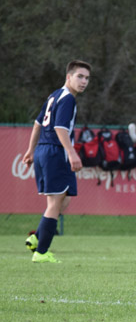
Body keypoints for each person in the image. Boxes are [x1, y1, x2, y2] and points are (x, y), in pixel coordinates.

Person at [22, 60, 92, 263]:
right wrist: (71, 153)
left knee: (63, 200)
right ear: (68, 77)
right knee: (55, 203)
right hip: (56, 152)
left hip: (45, 151)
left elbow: (37, 124)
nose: (84, 81)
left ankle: (37, 238)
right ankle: (41, 252)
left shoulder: (54, 95)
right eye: (80, 76)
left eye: (87, 78)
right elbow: (60, 128)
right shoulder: (68, 98)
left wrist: (31, 150)